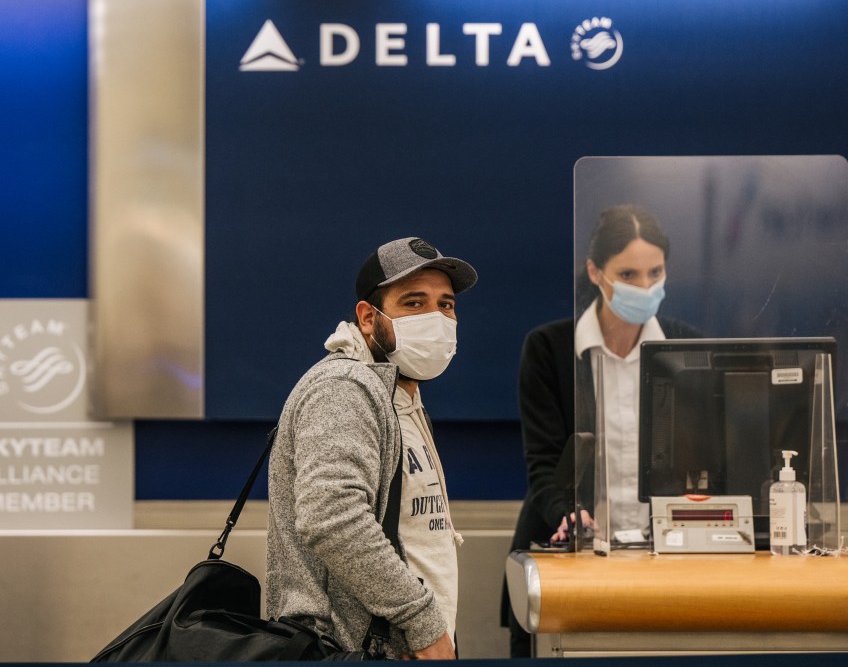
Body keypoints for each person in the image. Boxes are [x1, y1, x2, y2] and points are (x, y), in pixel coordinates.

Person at [266, 236, 477, 660]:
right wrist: (425, 625)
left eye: (446, 304)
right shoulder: (345, 388)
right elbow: (333, 517)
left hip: (401, 645)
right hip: (352, 649)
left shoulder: (399, 396)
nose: (436, 318)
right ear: (367, 317)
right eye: (414, 304)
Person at [503, 205, 700, 658]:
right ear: (595, 271)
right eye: (628, 274)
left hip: (665, 564)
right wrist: (568, 514)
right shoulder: (549, 349)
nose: (645, 287)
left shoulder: (687, 346)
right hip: (575, 563)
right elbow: (545, 467)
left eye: (656, 272)